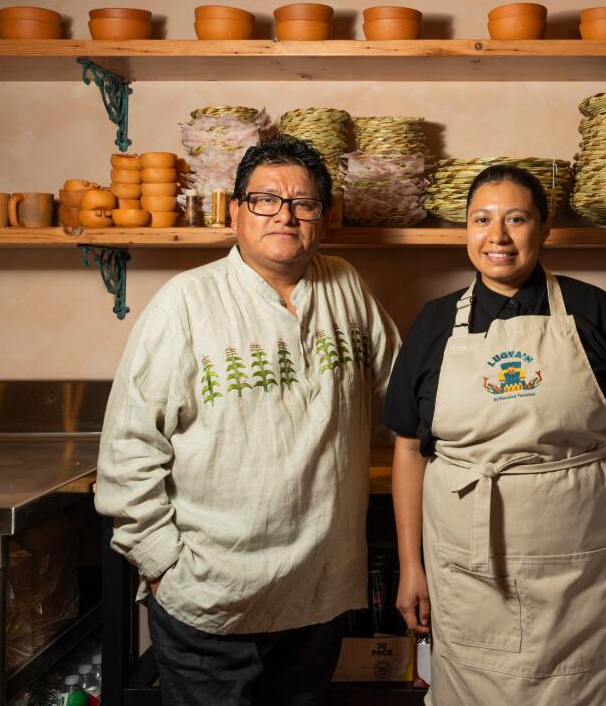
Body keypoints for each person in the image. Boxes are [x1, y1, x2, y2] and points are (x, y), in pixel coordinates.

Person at [95, 135, 401, 706]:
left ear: (323, 218)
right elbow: (127, 449)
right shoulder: (186, 302)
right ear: (235, 211)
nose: (284, 215)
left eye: (303, 203)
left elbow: (407, 396)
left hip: (320, 594)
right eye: (264, 199)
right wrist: (164, 567)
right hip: (213, 597)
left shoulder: (347, 287)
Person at [385, 165, 606, 705]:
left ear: (543, 230)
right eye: (482, 220)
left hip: (579, 566)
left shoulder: (595, 312)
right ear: (466, 231)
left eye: (516, 219)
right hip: (467, 564)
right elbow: (408, 448)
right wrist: (410, 566)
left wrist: (601, 478)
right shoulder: (433, 324)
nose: (497, 236)